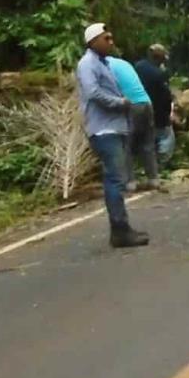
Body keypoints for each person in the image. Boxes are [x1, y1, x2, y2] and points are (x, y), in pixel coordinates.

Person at [76, 23, 149, 248]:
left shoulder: (103, 64)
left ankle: (121, 228)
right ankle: (119, 230)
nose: (111, 42)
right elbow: (93, 93)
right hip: (103, 129)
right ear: (93, 41)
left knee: (117, 177)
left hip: (113, 127)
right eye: (106, 38)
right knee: (115, 179)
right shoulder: (87, 64)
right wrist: (120, 103)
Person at [106, 55, 161, 191]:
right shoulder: (123, 63)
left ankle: (130, 182)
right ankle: (154, 179)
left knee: (126, 145)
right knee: (147, 144)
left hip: (132, 105)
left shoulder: (104, 66)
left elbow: (111, 90)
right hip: (146, 102)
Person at [134, 43, 176, 166]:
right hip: (156, 111)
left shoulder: (138, 66)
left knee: (146, 139)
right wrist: (169, 114)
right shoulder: (159, 74)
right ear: (160, 58)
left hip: (137, 108)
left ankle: (145, 163)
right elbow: (165, 97)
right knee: (166, 136)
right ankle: (162, 163)